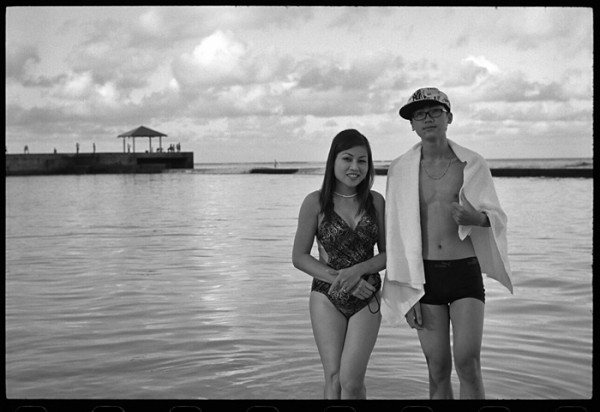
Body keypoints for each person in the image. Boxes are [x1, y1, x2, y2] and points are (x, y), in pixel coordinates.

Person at [382, 87, 513, 399]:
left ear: (449, 117)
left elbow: (496, 217)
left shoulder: (472, 164)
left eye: (434, 111)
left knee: (468, 362)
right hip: (424, 277)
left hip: (464, 272)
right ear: (412, 124)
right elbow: (395, 232)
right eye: (419, 114)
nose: (427, 118)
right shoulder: (400, 169)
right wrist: (405, 291)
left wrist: (476, 218)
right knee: (437, 367)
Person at [292, 129, 386, 399]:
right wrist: (342, 281)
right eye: (347, 159)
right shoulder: (315, 202)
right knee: (333, 380)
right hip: (326, 296)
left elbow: (389, 254)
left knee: (352, 382)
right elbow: (299, 256)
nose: (355, 167)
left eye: (362, 160)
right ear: (333, 160)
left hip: (367, 297)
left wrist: (359, 271)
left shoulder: (375, 202)